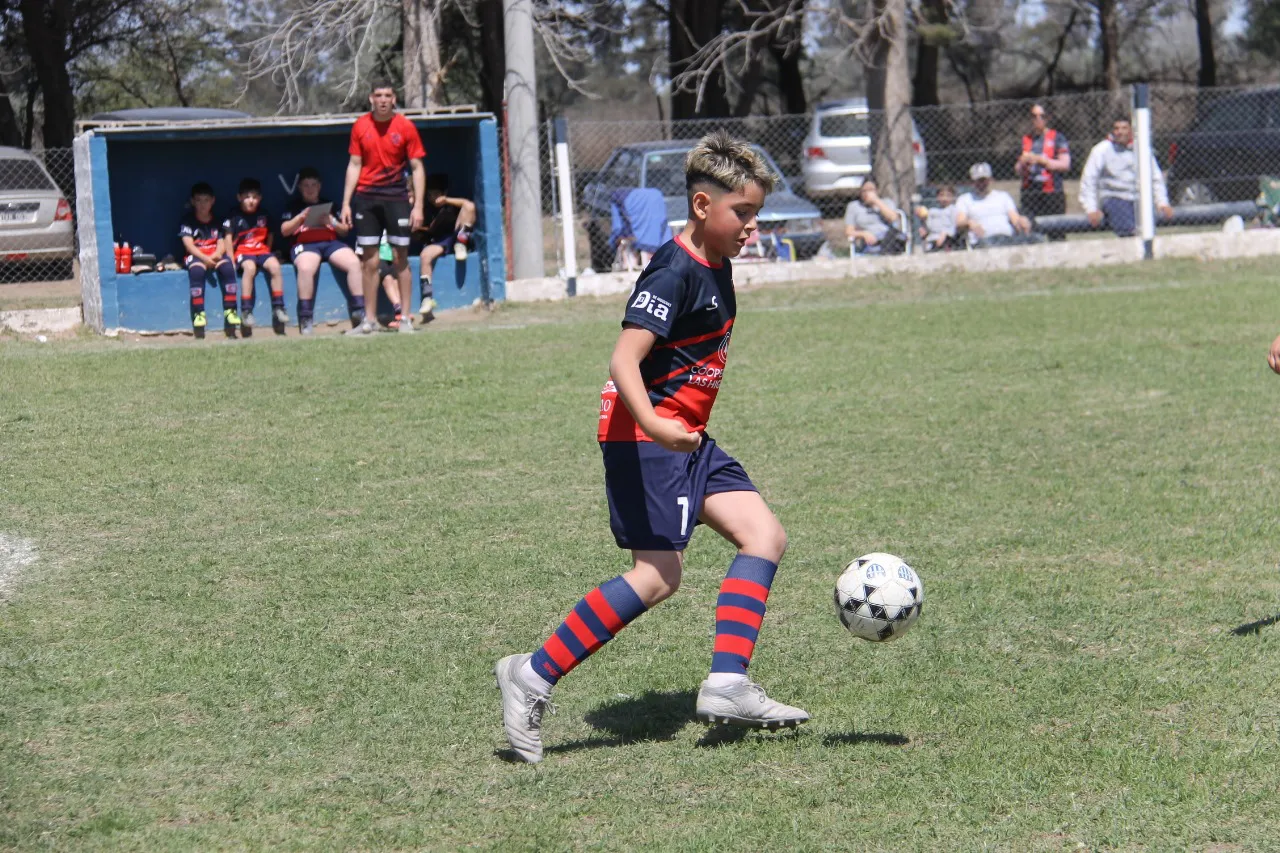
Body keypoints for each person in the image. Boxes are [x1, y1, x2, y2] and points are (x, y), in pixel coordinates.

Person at [495, 131, 809, 765]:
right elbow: (624, 359)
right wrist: (659, 426)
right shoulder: (673, 268)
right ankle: (530, 675)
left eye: (755, 213)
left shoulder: (718, 261)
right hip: (643, 435)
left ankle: (727, 684)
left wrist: (678, 429)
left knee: (764, 536)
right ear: (701, 205)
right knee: (657, 575)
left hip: (685, 436)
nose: (752, 225)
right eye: (741, 213)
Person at [341, 81, 426, 335]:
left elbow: (417, 168)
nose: (383, 100)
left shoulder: (406, 127)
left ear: (394, 98)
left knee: (401, 258)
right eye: (378, 95)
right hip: (366, 199)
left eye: (388, 95)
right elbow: (354, 165)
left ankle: (406, 320)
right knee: (369, 261)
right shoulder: (360, 126)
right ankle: (369, 321)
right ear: (371, 99)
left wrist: (418, 206)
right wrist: (346, 202)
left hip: (396, 199)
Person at [281, 167, 363, 336]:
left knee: (354, 262)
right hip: (306, 244)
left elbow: (344, 230)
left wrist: (331, 221)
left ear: (319, 186)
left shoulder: (329, 204)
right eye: (305, 185)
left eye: (313, 185)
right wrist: (300, 218)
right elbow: (284, 231)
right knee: (305, 268)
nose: (310, 189)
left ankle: (359, 311)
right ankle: (305, 317)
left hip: (330, 242)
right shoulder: (294, 206)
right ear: (300, 188)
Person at [1079, 117, 1174, 238]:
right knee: (1129, 232)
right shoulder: (1101, 150)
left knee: (1148, 230)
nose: (1120, 132)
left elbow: (1155, 178)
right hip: (1114, 198)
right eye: (1116, 128)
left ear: (1131, 131)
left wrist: (1162, 202)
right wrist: (1091, 208)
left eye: (1124, 128)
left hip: (1138, 198)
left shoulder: (1142, 149)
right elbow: (1089, 180)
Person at [222, 177, 287, 336]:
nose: (251, 201)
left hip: (261, 251)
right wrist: (230, 259)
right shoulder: (233, 215)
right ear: (239, 197)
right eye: (247, 197)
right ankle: (246, 311)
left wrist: (268, 251)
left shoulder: (264, 214)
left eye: (255, 197)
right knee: (250, 269)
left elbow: (270, 234)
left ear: (260, 198)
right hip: (243, 252)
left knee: (274, 266)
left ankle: (278, 307)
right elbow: (228, 238)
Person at [179, 182, 240, 339]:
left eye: (206, 200)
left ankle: (230, 310)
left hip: (214, 255)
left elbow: (222, 243)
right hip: (198, 255)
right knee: (197, 271)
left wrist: (216, 255)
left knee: (227, 268)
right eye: (198, 200)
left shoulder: (218, 221)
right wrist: (205, 258)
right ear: (192, 201)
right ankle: (199, 313)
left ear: (213, 201)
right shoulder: (188, 221)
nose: (202, 204)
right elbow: (188, 245)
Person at [415, 173, 476, 324]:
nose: (433, 198)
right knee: (425, 255)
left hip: (455, 236)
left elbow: (467, 206)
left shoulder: (451, 202)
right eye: (429, 194)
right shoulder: (425, 208)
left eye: (436, 194)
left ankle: (461, 243)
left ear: (444, 193)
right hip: (439, 241)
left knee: (470, 206)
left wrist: (446, 200)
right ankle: (427, 300)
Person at [1014, 103, 1071, 240]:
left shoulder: (1057, 137)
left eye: (1042, 116)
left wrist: (1043, 161)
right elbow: (1017, 170)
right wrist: (1023, 162)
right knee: (1031, 231)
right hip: (1030, 192)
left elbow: (1065, 164)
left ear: (1048, 118)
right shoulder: (1025, 140)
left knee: (1057, 233)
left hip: (1052, 192)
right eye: (1034, 116)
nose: (1038, 119)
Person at [955, 163, 1043, 248]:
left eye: (984, 180)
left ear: (991, 179)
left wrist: (1021, 221)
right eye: (978, 180)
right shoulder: (964, 199)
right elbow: (959, 222)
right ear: (972, 182)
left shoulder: (1003, 196)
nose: (982, 183)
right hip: (983, 241)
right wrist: (969, 223)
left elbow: (1014, 218)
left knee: (1037, 239)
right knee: (988, 245)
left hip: (1007, 238)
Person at [843, 179, 905, 254]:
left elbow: (893, 218)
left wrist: (876, 201)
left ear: (877, 191)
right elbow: (848, 231)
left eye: (871, 190)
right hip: (871, 241)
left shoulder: (886, 202)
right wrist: (863, 234)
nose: (867, 193)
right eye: (864, 191)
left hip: (889, 236)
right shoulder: (854, 206)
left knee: (894, 237)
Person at [914, 184, 959, 252]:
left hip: (947, 238)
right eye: (941, 195)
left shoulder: (953, 209)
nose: (944, 198)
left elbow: (954, 226)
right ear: (937, 197)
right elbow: (929, 225)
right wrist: (923, 221)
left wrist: (945, 234)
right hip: (932, 237)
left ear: (953, 197)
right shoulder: (933, 211)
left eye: (948, 196)